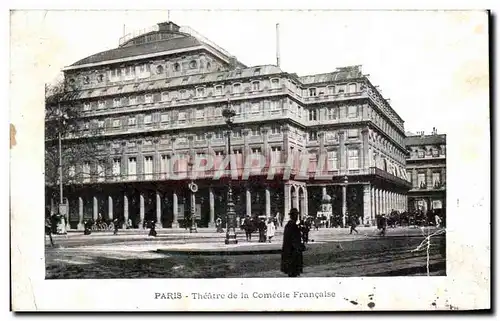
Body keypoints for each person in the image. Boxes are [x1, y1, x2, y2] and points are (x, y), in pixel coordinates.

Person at [281, 208, 305, 277]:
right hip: (293, 253)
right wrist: (300, 247)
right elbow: (293, 240)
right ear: (292, 216)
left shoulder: (289, 225)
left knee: (291, 272)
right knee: (293, 272)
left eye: (297, 215)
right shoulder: (292, 225)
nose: (296, 216)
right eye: (295, 215)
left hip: (289, 252)